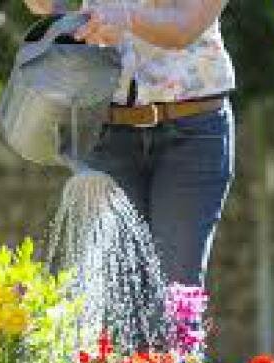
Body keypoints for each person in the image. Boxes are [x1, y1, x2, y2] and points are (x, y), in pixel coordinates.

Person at [23, 0, 235, 287]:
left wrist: (124, 16)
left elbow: (184, 29)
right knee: (118, 287)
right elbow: (51, 5)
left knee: (176, 285)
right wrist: (76, 18)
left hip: (192, 131)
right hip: (107, 130)